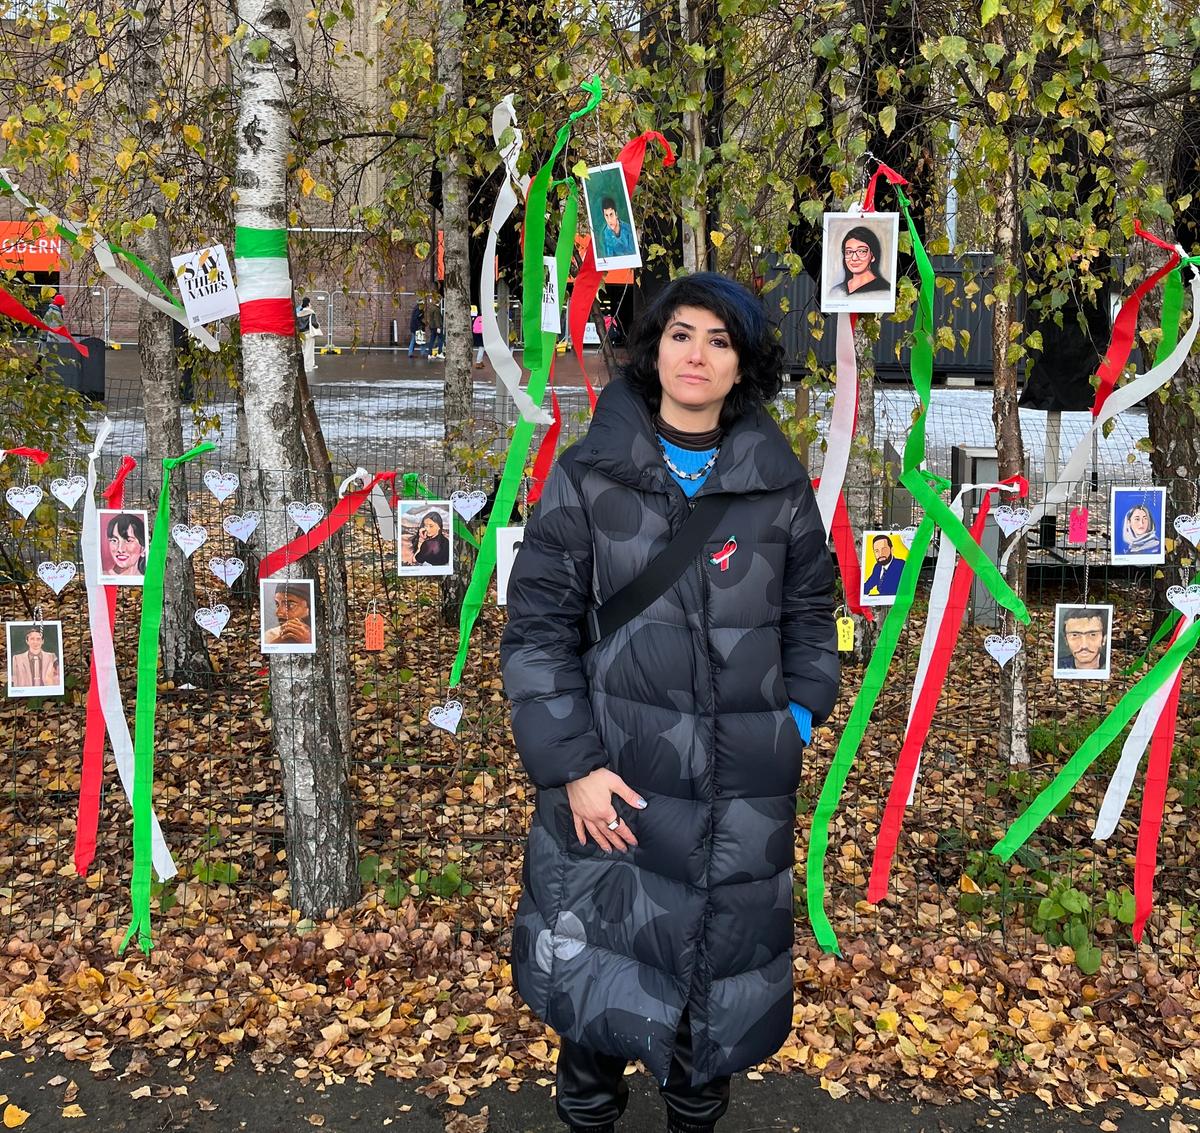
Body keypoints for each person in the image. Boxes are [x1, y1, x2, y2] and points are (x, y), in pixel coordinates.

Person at [500, 272, 840, 1133]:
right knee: (594, 1009)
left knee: (708, 1027)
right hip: (615, 790)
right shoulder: (586, 480)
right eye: (681, 334)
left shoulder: (778, 486)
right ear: (652, 350)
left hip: (740, 799)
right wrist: (573, 766)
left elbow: (810, 611)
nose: (697, 354)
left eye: (720, 340)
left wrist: (798, 713)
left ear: (742, 366)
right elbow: (537, 632)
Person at [831, 226, 891, 297]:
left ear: (873, 256)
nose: (854, 258)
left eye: (861, 251)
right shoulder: (837, 291)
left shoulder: (884, 291)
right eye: (849, 252)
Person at [1058, 607, 1109, 672]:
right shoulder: (1057, 666)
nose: (1084, 645)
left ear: (1104, 639)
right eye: (1075, 635)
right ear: (1066, 640)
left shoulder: (1112, 667)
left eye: (1092, 635)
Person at [862, 533, 904, 598]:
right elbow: (868, 584)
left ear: (891, 549)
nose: (880, 554)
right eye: (876, 551)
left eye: (884, 549)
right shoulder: (877, 567)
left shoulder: (901, 565)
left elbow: (891, 592)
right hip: (881, 603)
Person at [105, 512, 146, 578]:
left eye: (128, 540)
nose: (120, 549)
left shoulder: (150, 580)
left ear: (143, 549)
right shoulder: (102, 579)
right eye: (114, 540)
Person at [296, 297, 322, 373]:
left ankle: (304, 366)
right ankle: (307, 367)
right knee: (309, 351)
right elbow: (314, 323)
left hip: (301, 334)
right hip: (309, 333)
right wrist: (318, 325)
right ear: (308, 304)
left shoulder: (298, 314)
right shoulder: (311, 313)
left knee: (303, 350)